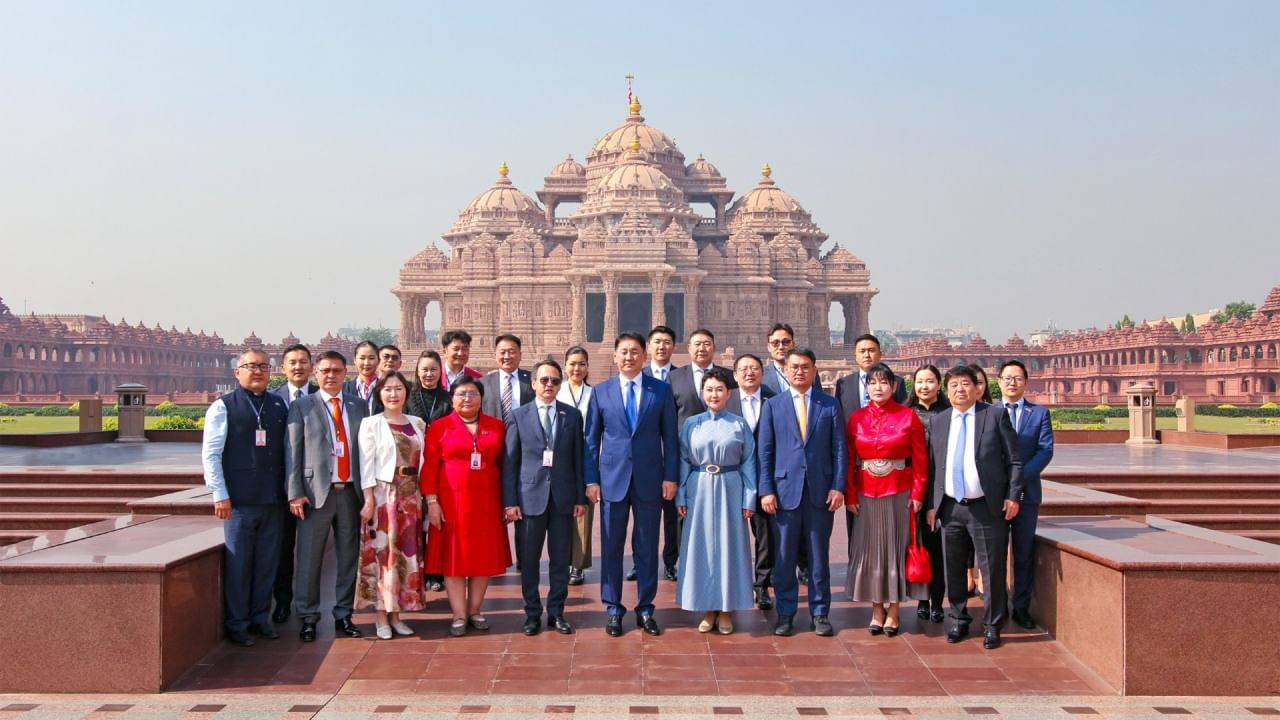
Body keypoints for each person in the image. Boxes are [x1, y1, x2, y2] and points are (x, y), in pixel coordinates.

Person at [584, 332, 679, 637]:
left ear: (645, 355)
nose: (629, 357)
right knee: (611, 546)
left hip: (650, 479)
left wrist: (670, 476)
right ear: (614, 356)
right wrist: (591, 479)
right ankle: (613, 607)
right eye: (624, 352)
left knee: (647, 547)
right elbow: (591, 441)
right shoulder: (601, 392)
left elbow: (671, 440)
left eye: (635, 352)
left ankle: (646, 607)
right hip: (612, 480)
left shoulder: (661, 391)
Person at [925, 366, 1023, 650]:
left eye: (965, 384)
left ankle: (993, 624)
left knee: (992, 567)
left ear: (977, 388)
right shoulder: (940, 421)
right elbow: (934, 467)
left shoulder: (993, 415)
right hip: (951, 507)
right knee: (953, 566)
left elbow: (1014, 460)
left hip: (986, 506)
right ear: (946, 390)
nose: (959, 390)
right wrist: (933, 505)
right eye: (953, 385)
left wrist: (1013, 495)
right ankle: (958, 618)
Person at [202, 348, 289, 646]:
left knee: (267, 564)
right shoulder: (223, 406)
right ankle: (237, 623)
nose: (258, 371)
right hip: (238, 501)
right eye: (251, 366)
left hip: (272, 498)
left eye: (264, 366)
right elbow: (211, 454)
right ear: (236, 372)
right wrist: (219, 493)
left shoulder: (278, 405)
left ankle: (259, 618)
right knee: (239, 564)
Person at [758, 347, 847, 637]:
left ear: (814, 370)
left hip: (820, 492)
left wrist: (838, 485)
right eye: (794, 367)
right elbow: (765, 452)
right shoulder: (773, 405)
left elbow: (839, 450)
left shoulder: (829, 404)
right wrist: (766, 490)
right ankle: (786, 613)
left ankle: (820, 612)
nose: (799, 371)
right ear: (784, 370)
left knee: (819, 556)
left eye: (805, 367)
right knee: (783, 557)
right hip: (784, 492)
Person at [287, 350, 369, 642]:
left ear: (345, 372)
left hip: (350, 492)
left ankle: (343, 614)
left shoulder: (358, 406)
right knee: (309, 558)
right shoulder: (302, 406)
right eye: (325, 371)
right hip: (315, 493)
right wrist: (295, 492)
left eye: (336, 370)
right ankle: (308, 616)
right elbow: (293, 452)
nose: (331, 375)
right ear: (315, 373)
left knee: (349, 557)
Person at [503, 359, 587, 636]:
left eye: (554, 381)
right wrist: (510, 501)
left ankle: (556, 611)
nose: (549, 385)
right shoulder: (518, 415)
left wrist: (579, 498)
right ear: (533, 383)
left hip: (562, 497)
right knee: (529, 559)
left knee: (560, 559)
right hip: (529, 498)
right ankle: (532, 613)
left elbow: (578, 459)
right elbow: (510, 462)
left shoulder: (571, 415)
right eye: (544, 380)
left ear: (560, 384)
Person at [422, 376, 511, 636]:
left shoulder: (496, 426)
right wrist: (432, 501)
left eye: (473, 393)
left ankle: (475, 610)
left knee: (481, 557)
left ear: (481, 398)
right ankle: (459, 614)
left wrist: (507, 502)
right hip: (451, 501)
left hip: (487, 500)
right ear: (452, 398)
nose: (467, 398)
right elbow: (429, 469)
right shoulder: (440, 427)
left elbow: (505, 465)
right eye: (461, 393)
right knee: (454, 558)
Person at [845, 362, 928, 636]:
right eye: (872, 383)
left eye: (883, 382)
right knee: (870, 552)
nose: (877, 388)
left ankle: (894, 610)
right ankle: (876, 608)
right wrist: (850, 494)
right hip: (867, 493)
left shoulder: (908, 417)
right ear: (866, 387)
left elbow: (920, 460)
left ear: (893, 387)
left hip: (899, 492)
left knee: (895, 549)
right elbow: (848, 460)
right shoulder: (856, 418)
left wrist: (918, 493)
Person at [675, 367, 757, 635]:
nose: (714, 394)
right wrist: (681, 494)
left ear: (728, 393)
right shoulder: (691, 424)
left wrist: (749, 498)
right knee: (702, 548)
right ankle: (707, 607)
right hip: (699, 487)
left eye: (719, 389)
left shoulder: (738, 424)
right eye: (709, 389)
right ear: (702, 393)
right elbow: (684, 461)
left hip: (730, 486)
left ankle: (726, 609)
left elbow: (748, 463)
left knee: (728, 547)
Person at [355, 371, 427, 640]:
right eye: (388, 389)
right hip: (385, 495)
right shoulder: (371, 424)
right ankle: (380, 617)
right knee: (383, 556)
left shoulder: (417, 423)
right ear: (379, 394)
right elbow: (366, 465)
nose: (393, 394)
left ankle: (397, 615)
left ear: (406, 392)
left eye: (398, 388)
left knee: (406, 557)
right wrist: (369, 499)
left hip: (411, 497)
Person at [664, 328, 737, 581]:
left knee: (724, 518)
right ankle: (677, 561)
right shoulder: (674, 377)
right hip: (687, 459)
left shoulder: (729, 377)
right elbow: (668, 418)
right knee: (681, 514)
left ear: (714, 347)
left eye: (707, 343)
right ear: (688, 347)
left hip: (723, 460)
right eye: (696, 344)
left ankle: (722, 565)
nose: (701, 348)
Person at [995, 360, 1054, 630]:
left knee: (1023, 552)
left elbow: (1045, 451)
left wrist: (1017, 482)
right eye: (1007, 378)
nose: (1012, 382)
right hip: (993, 495)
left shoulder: (1039, 414)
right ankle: (995, 607)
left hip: (1026, 493)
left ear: (1026, 383)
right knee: (993, 554)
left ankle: (1020, 606)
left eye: (1017, 378)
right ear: (998, 382)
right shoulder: (987, 412)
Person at [834, 334, 907, 551]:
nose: (867, 354)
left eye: (872, 350)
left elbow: (902, 419)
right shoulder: (844, 384)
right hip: (854, 464)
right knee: (856, 523)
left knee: (889, 527)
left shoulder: (898, 384)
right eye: (862, 351)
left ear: (880, 354)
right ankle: (858, 570)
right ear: (854, 355)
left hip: (889, 469)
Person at [726, 353, 776, 610]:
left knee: (765, 534)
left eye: (755, 368)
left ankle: (762, 585)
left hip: (762, 476)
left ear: (762, 372)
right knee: (728, 532)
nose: (749, 373)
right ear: (734, 375)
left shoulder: (773, 400)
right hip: (729, 476)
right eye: (743, 369)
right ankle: (730, 584)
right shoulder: (725, 398)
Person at [272, 342, 317, 624]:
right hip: (280, 487)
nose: (298, 367)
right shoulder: (272, 400)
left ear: (312, 367)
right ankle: (283, 602)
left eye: (303, 362)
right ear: (283, 367)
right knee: (283, 547)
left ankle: (311, 605)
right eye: (293, 362)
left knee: (312, 550)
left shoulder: (324, 396)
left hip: (316, 486)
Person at [405, 349, 451, 594]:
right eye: (425, 369)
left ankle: (436, 572)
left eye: (434, 369)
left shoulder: (448, 399)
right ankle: (417, 572)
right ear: (417, 371)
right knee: (413, 522)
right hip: (413, 466)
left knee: (437, 521)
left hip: (442, 466)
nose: (429, 374)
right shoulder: (408, 398)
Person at [906, 365, 949, 624]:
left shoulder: (949, 414)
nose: (924, 386)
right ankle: (922, 600)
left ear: (939, 384)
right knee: (919, 545)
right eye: (920, 381)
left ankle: (938, 601)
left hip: (942, 488)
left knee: (938, 549)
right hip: (914, 489)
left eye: (930, 381)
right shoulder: (905, 414)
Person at [557, 346, 594, 586]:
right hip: (559, 458)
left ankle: (577, 565)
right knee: (559, 513)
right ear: (565, 365)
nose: (576, 368)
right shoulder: (555, 391)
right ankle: (560, 560)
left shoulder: (595, 394)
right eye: (572, 363)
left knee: (583, 513)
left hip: (587, 456)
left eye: (581, 364)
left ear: (587, 367)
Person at [481, 333, 533, 422]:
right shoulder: (483, 383)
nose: (507, 356)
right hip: (494, 433)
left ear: (520, 355)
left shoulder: (532, 380)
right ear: (495, 355)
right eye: (502, 352)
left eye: (512, 352)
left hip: (524, 434)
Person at [345, 341, 381, 413]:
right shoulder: (343, 389)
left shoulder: (385, 388)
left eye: (371, 358)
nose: (366, 363)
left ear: (378, 361)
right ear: (354, 360)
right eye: (362, 358)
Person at [761, 323, 795, 396]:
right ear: (769, 347)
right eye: (775, 343)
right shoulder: (761, 376)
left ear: (793, 344)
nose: (781, 347)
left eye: (786, 342)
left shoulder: (809, 374)